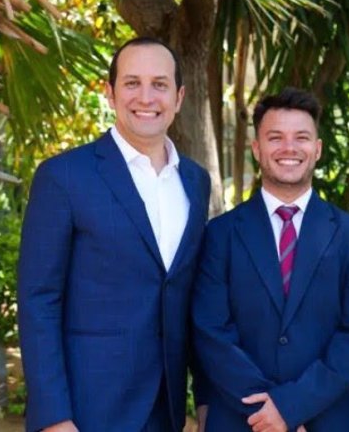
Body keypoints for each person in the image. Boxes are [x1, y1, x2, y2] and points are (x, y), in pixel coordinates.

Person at [17, 37, 211, 432]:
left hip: (167, 406)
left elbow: (186, 294)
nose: (146, 96)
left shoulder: (195, 181)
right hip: (88, 410)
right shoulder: (64, 176)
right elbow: (39, 301)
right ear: (109, 93)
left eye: (160, 84)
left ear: (179, 97)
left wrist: (206, 397)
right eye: (131, 83)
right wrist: (54, 417)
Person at [192, 87, 349, 431]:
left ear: (317, 149)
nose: (289, 148)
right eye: (275, 137)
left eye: (301, 138)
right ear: (256, 148)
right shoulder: (220, 234)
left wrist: (293, 406)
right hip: (241, 418)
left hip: (324, 419)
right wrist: (269, 412)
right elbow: (210, 331)